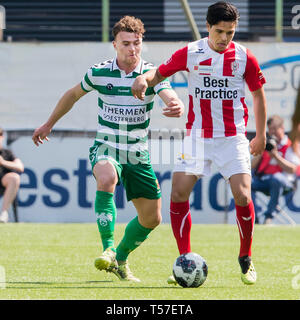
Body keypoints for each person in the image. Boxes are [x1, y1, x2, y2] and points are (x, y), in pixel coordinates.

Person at [32, 16, 184, 282]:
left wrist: (176, 104)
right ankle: (108, 247)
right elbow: (73, 95)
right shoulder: (99, 72)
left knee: (152, 218)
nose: (132, 49)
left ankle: (120, 258)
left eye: (136, 43)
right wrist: (49, 124)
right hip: (107, 144)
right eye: (125, 43)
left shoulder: (151, 73)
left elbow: (168, 92)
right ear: (114, 44)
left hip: (137, 151)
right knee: (106, 178)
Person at [132, 1, 267, 285]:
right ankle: (184, 259)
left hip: (233, 137)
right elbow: (157, 75)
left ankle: (246, 258)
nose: (224, 38)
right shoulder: (190, 52)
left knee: (242, 195)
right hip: (197, 135)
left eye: (230, 32)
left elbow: (258, 95)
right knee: (178, 193)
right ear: (207, 27)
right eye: (219, 31)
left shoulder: (244, 57)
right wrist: (143, 81)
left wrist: (261, 134)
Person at [251, 115, 298, 224]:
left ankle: (269, 217)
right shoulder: (267, 145)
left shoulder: (290, 145)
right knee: (246, 184)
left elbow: (293, 169)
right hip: (263, 181)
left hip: (284, 182)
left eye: (275, 129)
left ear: (282, 128)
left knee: (276, 179)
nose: (272, 132)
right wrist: (261, 151)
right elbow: (251, 166)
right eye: (270, 129)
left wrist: (276, 156)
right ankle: (253, 217)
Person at [0, 127, 24, 223]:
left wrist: (2, 162)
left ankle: (4, 213)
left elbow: (20, 167)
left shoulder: (7, 153)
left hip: (2, 182)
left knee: (14, 178)